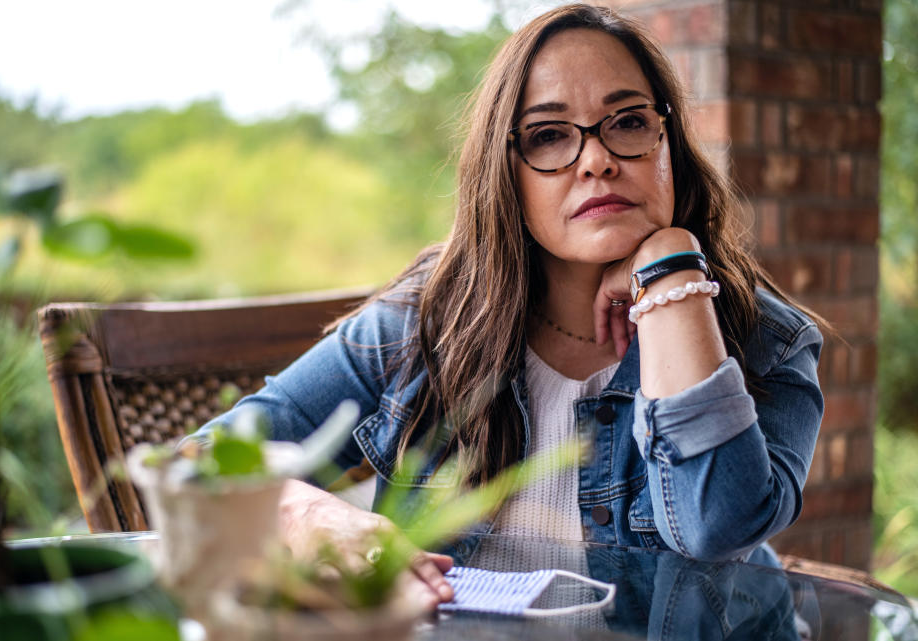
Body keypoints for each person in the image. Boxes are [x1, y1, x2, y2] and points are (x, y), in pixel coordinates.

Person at [193, 4, 824, 609]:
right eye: (549, 136)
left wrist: (671, 273)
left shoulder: (768, 338)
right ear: (505, 172)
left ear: (670, 148)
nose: (598, 159)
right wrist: (306, 511)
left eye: (629, 122)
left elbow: (715, 529)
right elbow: (198, 466)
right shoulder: (423, 327)